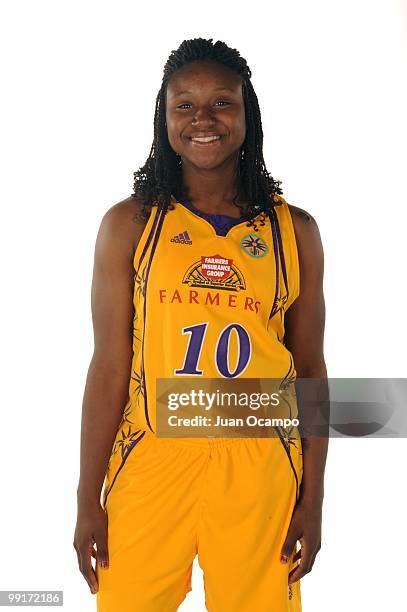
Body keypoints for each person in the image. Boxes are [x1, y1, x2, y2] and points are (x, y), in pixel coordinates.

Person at [74, 37, 328, 612]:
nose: (203, 119)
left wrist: (312, 500)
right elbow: (110, 366)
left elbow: (310, 368)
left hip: (259, 461)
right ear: (164, 119)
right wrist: (87, 496)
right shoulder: (131, 225)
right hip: (152, 456)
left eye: (222, 102)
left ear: (247, 113)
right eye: (183, 105)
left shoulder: (296, 233)